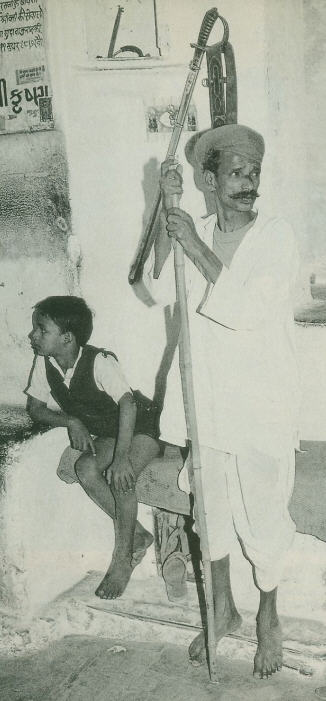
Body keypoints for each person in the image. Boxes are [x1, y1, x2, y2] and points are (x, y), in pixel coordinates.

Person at [147, 124, 300, 678]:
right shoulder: (198, 226)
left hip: (261, 405)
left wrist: (193, 243)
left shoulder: (276, 236)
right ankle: (221, 609)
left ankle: (267, 615)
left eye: (254, 172)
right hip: (207, 401)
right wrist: (165, 213)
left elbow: (247, 310)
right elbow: (156, 285)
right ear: (208, 180)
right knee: (209, 508)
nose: (248, 182)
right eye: (236, 172)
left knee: (262, 512)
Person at [25, 295, 160, 599]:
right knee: (84, 468)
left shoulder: (99, 361)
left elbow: (128, 404)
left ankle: (122, 561)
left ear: (67, 338)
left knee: (121, 479)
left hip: (142, 427)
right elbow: (35, 408)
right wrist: (71, 420)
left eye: (41, 330)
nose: (33, 336)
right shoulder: (45, 362)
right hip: (109, 432)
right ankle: (137, 535)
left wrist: (122, 457)